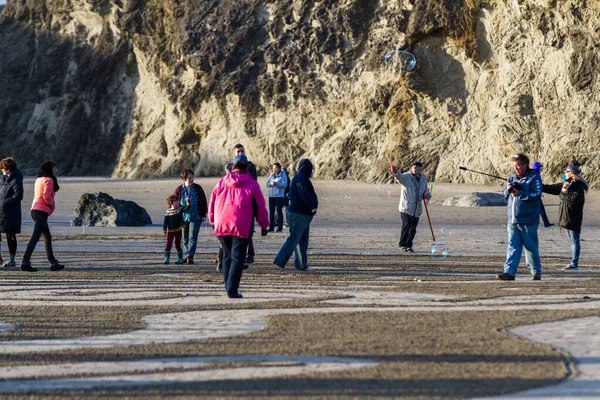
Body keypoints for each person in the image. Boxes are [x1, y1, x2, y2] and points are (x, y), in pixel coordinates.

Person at [208, 154, 269, 298]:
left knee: (227, 256)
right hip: (241, 224)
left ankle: (228, 286)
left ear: (233, 167)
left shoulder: (222, 182)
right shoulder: (252, 184)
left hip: (222, 223)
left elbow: (212, 203)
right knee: (237, 257)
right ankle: (231, 289)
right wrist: (264, 225)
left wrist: (213, 222)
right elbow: (260, 206)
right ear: (247, 167)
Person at [498, 153, 543, 281]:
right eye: (514, 166)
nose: (516, 168)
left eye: (518, 166)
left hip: (528, 219)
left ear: (525, 164)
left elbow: (537, 194)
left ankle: (536, 271)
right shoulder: (511, 177)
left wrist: (520, 193)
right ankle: (509, 272)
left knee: (531, 247)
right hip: (513, 219)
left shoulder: (534, 177)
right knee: (512, 245)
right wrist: (508, 189)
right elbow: (505, 194)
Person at [274, 159, 318, 271]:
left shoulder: (301, 178)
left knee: (302, 240)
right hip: (298, 214)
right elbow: (305, 194)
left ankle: (301, 265)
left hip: (302, 213)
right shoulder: (301, 178)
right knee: (294, 239)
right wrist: (313, 205)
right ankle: (280, 261)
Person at [20, 161, 64, 272]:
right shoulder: (49, 180)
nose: (56, 171)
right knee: (35, 237)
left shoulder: (39, 179)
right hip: (41, 211)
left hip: (34, 210)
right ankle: (25, 262)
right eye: (54, 169)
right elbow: (46, 196)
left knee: (47, 237)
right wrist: (52, 205)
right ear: (49, 170)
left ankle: (53, 263)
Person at [542, 165, 588, 270]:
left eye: (566, 172)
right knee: (572, 240)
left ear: (571, 174)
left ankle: (574, 263)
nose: (564, 173)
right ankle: (573, 262)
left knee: (574, 241)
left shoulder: (577, 186)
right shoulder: (568, 183)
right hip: (566, 217)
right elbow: (552, 188)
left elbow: (573, 199)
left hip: (573, 218)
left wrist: (563, 192)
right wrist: (538, 185)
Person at [390, 161, 429, 253]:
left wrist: (426, 195)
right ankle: (403, 245)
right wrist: (395, 172)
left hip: (417, 208)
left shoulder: (423, 178)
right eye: (414, 167)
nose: (416, 169)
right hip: (406, 207)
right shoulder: (406, 176)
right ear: (411, 168)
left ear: (420, 169)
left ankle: (409, 245)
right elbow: (399, 177)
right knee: (406, 226)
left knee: (413, 228)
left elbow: (424, 190)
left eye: (417, 168)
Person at [174, 169, 208, 265]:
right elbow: (174, 203)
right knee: (185, 238)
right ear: (184, 178)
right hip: (183, 217)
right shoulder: (179, 189)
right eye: (189, 177)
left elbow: (203, 202)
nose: (191, 179)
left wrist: (203, 214)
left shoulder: (198, 188)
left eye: (192, 177)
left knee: (193, 237)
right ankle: (186, 256)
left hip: (196, 216)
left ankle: (190, 256)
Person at [233, 143, 257, 264]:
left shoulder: (250, 166)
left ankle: (249, 254)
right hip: (234, 204)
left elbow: (252, 184)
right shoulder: (231, 166)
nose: (240, 153)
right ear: (234, 153)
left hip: (247, 203)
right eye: (238, 152)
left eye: (242, 151)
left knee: (248, 230)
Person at [0, 157, 24, 268]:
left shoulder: (16, 179)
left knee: (11, 236)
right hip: (1, 212)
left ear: (8, 169)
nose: (1, 170)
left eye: (3, 168)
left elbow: (18, 196)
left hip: (11, 213)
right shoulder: (3, 179)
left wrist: (5, 202)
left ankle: (12, 260)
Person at [162, 195, 188, 265]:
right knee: (168, 244)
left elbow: (186, 208)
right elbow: (165, 223)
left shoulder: (180, 209)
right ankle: (167, 258)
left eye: (178, 203)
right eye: (175, 203)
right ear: (171, 203)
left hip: (178, 230)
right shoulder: (168, 212)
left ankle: (180, 258)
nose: (177, 204)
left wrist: (188, 202)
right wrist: (164, 231)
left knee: (178, 244)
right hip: (170, 231)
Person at [531, 161, 554, 229]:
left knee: (537, 210)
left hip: (533, 195)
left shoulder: (531, 174)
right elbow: (537, 185)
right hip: (535, 195)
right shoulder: (536, 174)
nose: (541, 168)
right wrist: (539, 193)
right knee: (541, 210)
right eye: (540, 167)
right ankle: (546, 224)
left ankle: (545, 223)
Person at [266, 162, 288, 232]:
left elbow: (285, 184)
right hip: (271, 196)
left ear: (279, 168)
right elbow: (267, 184)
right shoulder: (271, 175)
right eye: (273, 168)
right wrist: (271, 184)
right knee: (271, 212)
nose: (274, 169)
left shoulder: (283, 175)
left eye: (275, 168)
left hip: (279, 196)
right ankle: (271, 227)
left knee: (279, 211)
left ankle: (280, 228)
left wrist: (277, 184)